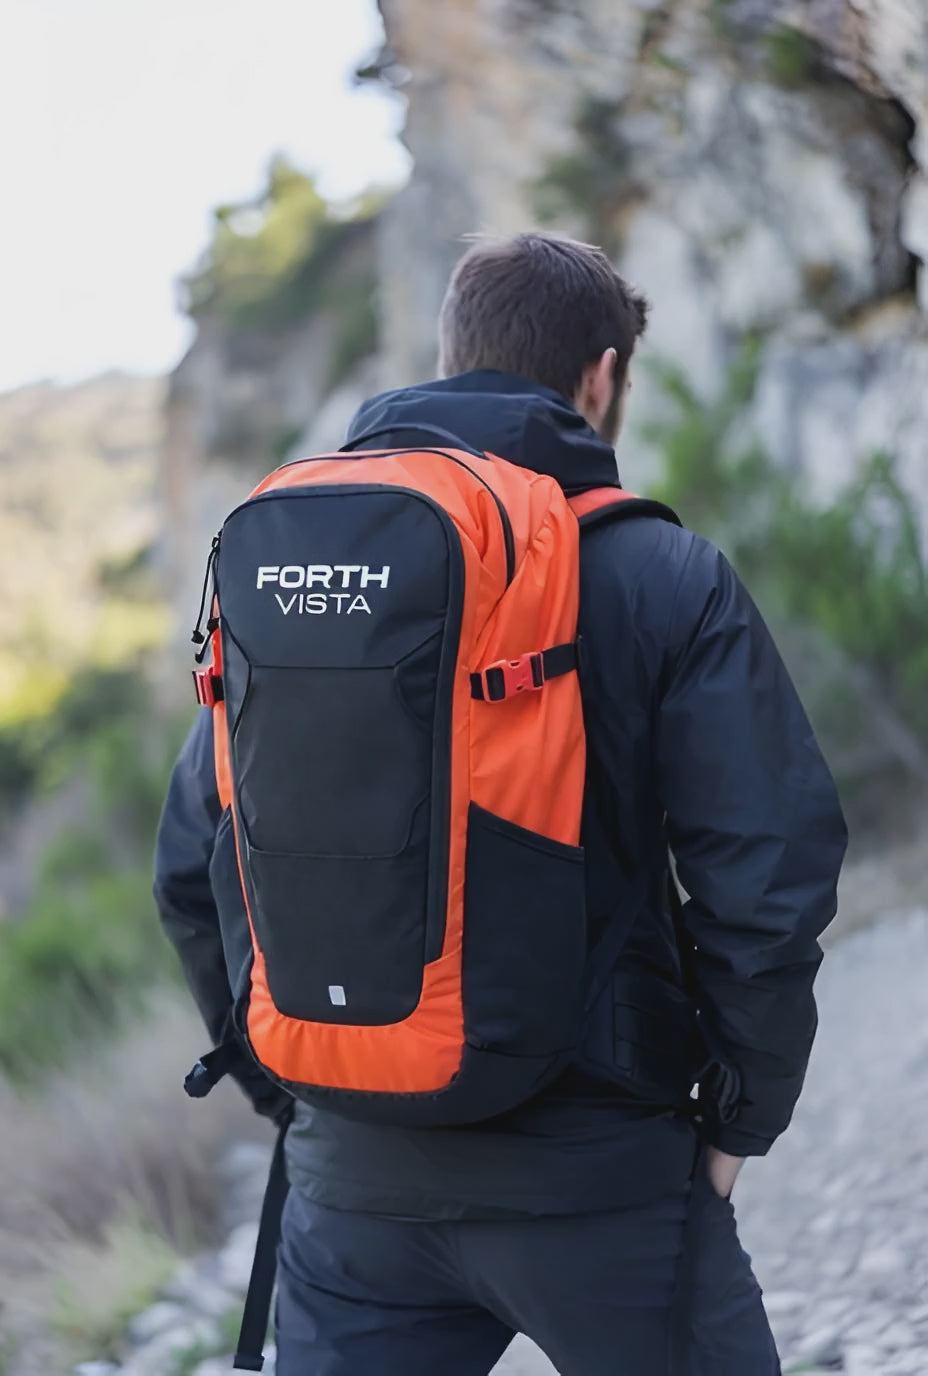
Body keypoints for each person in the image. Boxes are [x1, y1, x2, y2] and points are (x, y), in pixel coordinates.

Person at [154, 232, 847, 1375]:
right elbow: (768, 873)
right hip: (600, 1179)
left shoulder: (300, 574)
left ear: (447, 356)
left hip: (350, 1191)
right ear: (602, 377)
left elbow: (192, 864)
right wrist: (741, 1115)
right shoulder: (661, 572)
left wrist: (300, 1087)